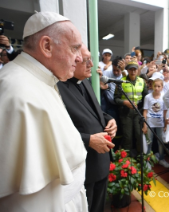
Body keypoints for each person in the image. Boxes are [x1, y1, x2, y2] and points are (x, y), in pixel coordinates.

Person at [0, 11, 88, 211]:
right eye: (75, 48)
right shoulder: (16, 91)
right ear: (47, 46)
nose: (79, 58)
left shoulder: (44, 79)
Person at [57, 45, 117, 212]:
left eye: (91, 59)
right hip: (84, 168)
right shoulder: (57, 88)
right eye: (86, 60)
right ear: (72, 61)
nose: (91, 64)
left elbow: (95, 111)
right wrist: (88, 140)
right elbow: (56, 130)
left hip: (101, 162)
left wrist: (109, 119)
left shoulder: (85, 81)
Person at [114, 61, 148, 156]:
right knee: (127, 137)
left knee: (138, 135)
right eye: (131, 69)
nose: (133, 71)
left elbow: (146, 97)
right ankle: (127, 161)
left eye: (135, 69)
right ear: (127, 70)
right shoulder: (121, 81)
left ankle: (140, 158)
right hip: (125, 113)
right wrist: (124, 102)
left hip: (138, 112)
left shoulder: (142, 81)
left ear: (137, 70)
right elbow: (115, 99)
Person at [142, 77, 169, 168]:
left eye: (158, 86)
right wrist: (144, 125)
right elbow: (145, 111)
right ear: (152, 86)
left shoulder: (164, 97)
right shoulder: (148, 97)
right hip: (150, 122)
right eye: (155, 86)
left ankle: (161, 158)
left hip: (160, 123)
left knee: (160, 142)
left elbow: (165, 112)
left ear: (162, 87)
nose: (156, 88)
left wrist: (165, 125)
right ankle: (147, 160)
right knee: (149, 141)